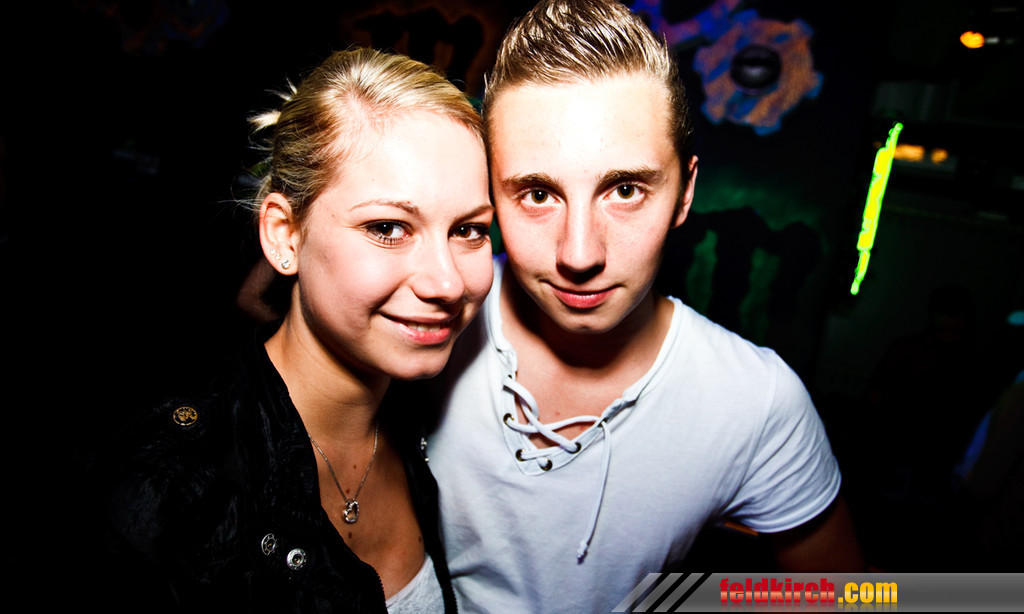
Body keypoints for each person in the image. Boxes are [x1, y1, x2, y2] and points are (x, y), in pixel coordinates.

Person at [416, 1, 864, 610]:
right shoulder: (426, 319)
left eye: (625, 190)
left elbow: (846, 594)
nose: (579, 253)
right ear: (490, 193)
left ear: (685, 194)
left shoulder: (755, 402)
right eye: (538, 194)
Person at [87, 47, 494, 612]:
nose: (447, 282)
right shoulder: (164, 492)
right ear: (284, 235)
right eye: (387, 227)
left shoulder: (428, 417)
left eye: (470, 230)